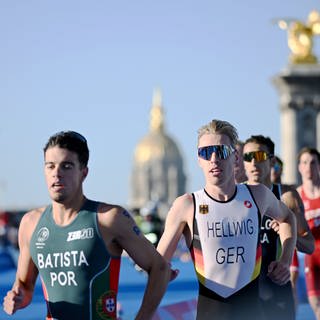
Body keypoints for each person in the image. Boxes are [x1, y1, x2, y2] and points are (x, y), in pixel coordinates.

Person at [2, 130, 171, 320]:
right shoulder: (31, 223)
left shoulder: (109, 218)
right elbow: (24, 287)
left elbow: (161, 268)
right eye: (50, 166)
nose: (56, 174)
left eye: (66, 166)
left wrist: (142, 317)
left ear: (84, 172)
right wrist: (16, 297)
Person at [157, 119, 297, 320]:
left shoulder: (257, 195)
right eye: (206, 152)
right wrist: (161, 271)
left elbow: (287, 218)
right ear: (199, 159)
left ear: (236, 157)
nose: (214, 159)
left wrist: (285, 260)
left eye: (221, 151)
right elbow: (158, 262)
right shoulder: (187, 205)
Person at [243, 135, 314, 320]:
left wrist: (288, 236)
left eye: (258, 156)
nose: (253, 163)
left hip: (278, 292)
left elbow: (310, 246)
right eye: (247, 157)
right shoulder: (235, 197)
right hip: (245, 294)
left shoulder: (286, 195)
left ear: (271, 160)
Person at [297, 147, 320, 320]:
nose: (309, 167)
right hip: (310, 258)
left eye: (313, 162)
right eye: (305, 162)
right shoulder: (296, 196)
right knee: (317, 307)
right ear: (299, 167)